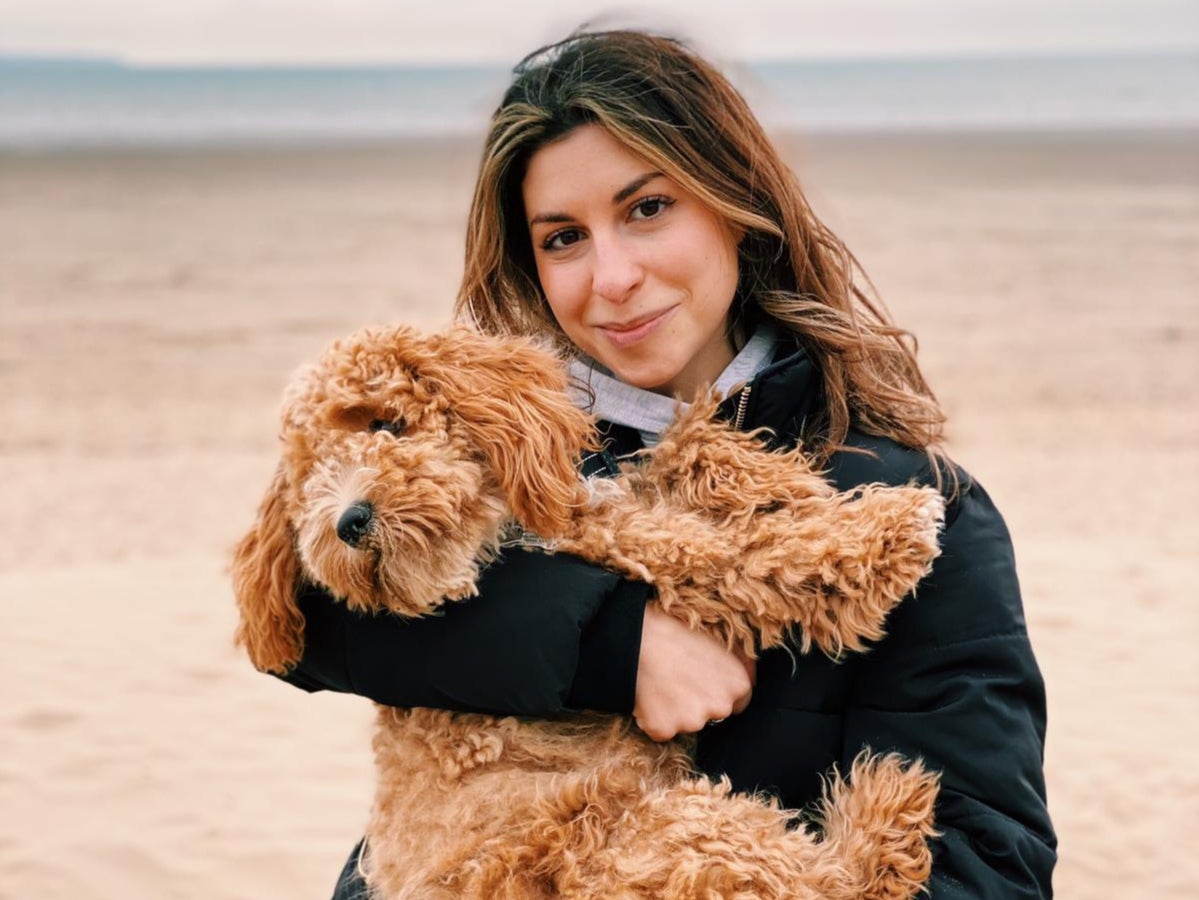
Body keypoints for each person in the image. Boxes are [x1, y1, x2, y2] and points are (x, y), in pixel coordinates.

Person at [278, 29, 1056, 899]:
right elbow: (302, 617)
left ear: (731, 200)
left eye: (647, 209)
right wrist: (611, 644)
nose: (610, 276)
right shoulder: (489, 444)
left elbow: (986, 869)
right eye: (563, 237)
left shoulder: (917, 506)